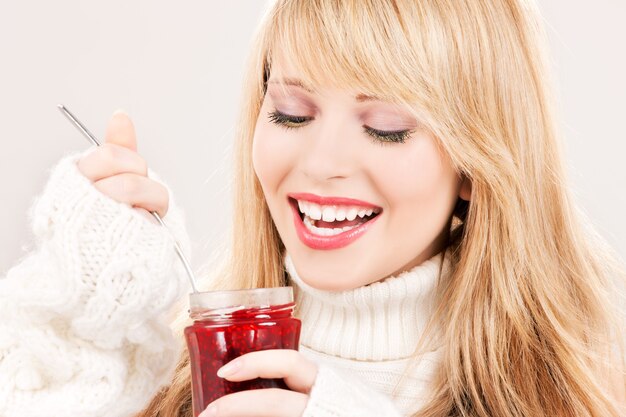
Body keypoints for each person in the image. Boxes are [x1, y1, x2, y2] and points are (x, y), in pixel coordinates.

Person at [1, 0, 625, 416]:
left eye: (385, 127)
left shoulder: (578, 389)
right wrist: (82, 317)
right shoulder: (175, 368)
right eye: (292, 114)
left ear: (475, 163)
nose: (321, 161)